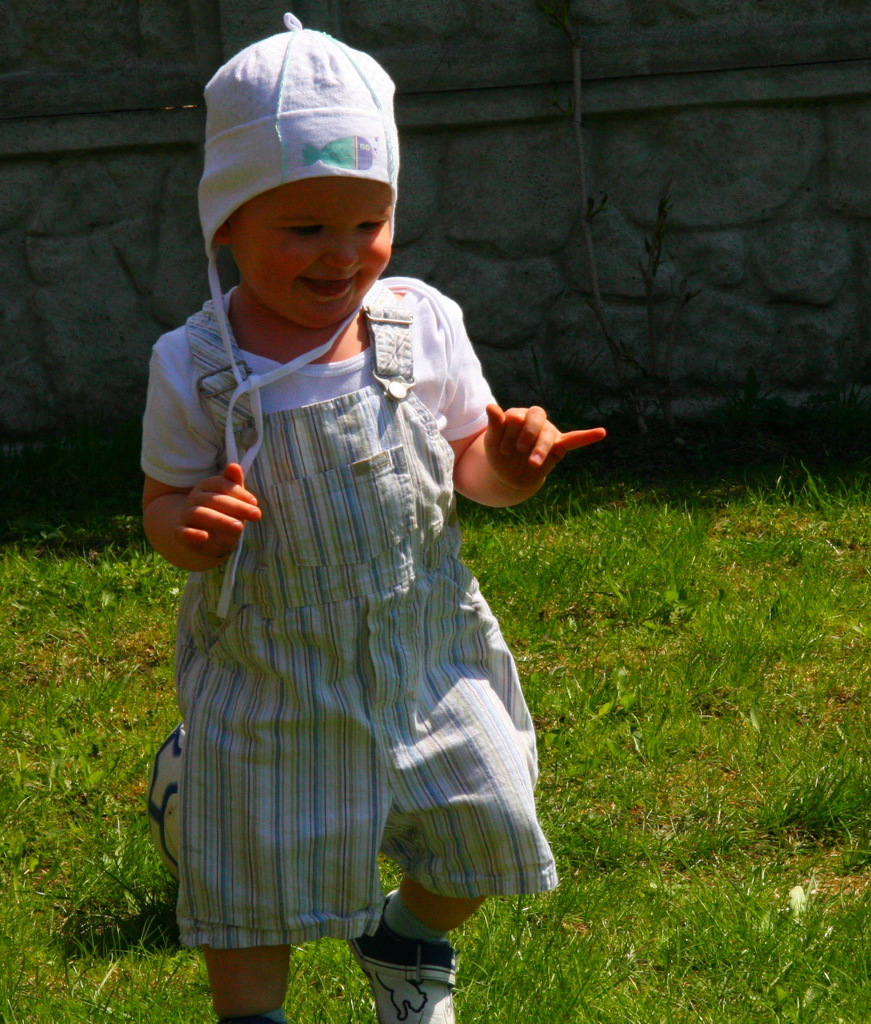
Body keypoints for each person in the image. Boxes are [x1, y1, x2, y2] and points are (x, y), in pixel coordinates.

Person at [140, 14, 606, 1024]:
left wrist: (509, 465)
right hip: (273, 668)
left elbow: (471, 465)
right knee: (253, 877)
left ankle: (408, 939)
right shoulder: (198, 366)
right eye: (304, 229)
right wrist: (190, 522)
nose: (342, 254)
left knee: (490, 819)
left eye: (369, 222)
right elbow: (162, 504)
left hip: (422, 647)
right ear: (227, 224)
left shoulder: (417, 322)